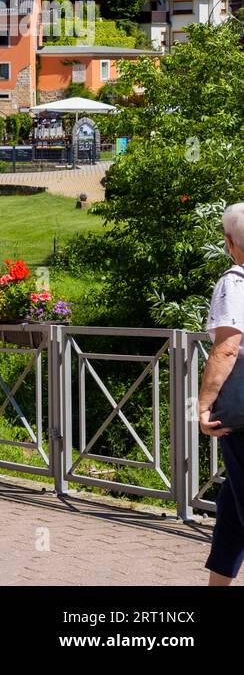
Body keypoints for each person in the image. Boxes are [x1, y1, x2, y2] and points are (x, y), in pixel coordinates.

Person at [200, 202, 244, 585]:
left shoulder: (235, 281)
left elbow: (227, 348)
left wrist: (201, 405)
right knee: (232, 510)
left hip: (243, 418)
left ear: (230, 242)